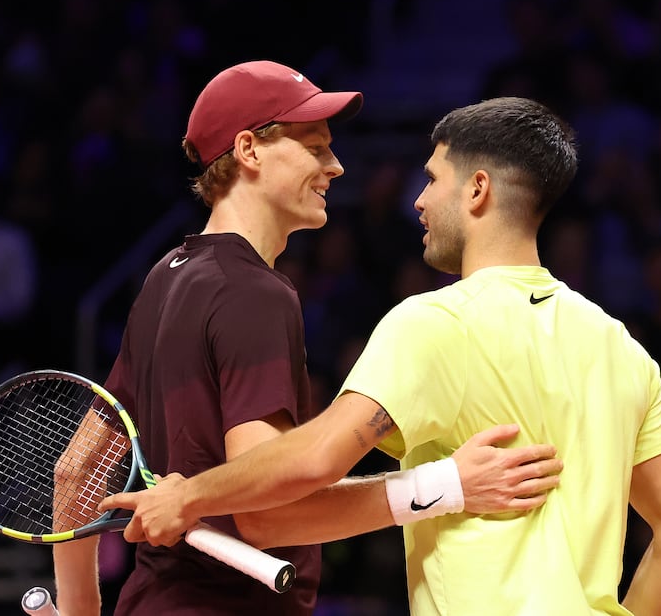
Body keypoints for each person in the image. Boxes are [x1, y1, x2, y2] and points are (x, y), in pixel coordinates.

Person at [100, 96, 661, 615]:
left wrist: (189, 496)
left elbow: (310, 463)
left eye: (432, 180)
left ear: (477, 190)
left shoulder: (433, 323)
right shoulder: (621, 348)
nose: (418, 202)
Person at [53, 63, 563, 616]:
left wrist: (79, 609)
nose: (336, 166)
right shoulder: (255, 293)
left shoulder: (165, 276)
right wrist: (446, 485)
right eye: (315, 148)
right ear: (249, 150)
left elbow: (76, 471)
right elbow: (266, 512)